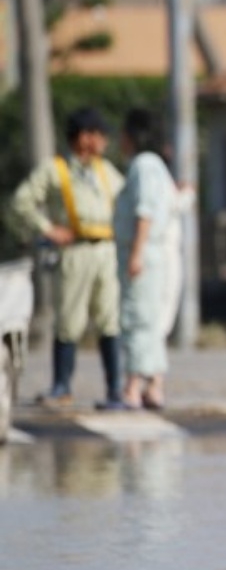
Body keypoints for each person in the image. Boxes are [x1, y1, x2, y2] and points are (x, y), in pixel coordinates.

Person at [11, 107, 127, 410]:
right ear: (85, 137)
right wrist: (47, 229)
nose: (104, 142)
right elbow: (22, 201)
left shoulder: (106, 171)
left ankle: (115, 386)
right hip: (75, 250)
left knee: (109, 319)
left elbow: (126, 198)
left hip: (106, 249)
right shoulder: (56, 169)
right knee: (69, 320)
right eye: (99, 135)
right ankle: (62, 385)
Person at [112, 108, 178, 409]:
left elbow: (145, 212)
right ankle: (154, 385)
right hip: (153, 252)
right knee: (150, 320)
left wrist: (136, 254)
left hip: (144, 251)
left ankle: (133, 386)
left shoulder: (143, 165)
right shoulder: (158, 167)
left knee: (137, 319)